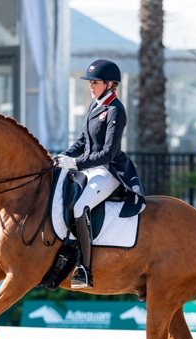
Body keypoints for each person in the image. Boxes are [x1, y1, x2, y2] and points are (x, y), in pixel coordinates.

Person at [55, 59, 146, 289]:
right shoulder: (95, 105)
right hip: (89, 167)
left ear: (109, 84)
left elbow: (108, 153)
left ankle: (84, 269)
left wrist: (75, 163)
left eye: (94, 82)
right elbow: (82, 141)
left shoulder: (116, 109)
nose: (90, 86)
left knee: (79, 207)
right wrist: (60, 158)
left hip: (108, 171)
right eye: (90, 82)